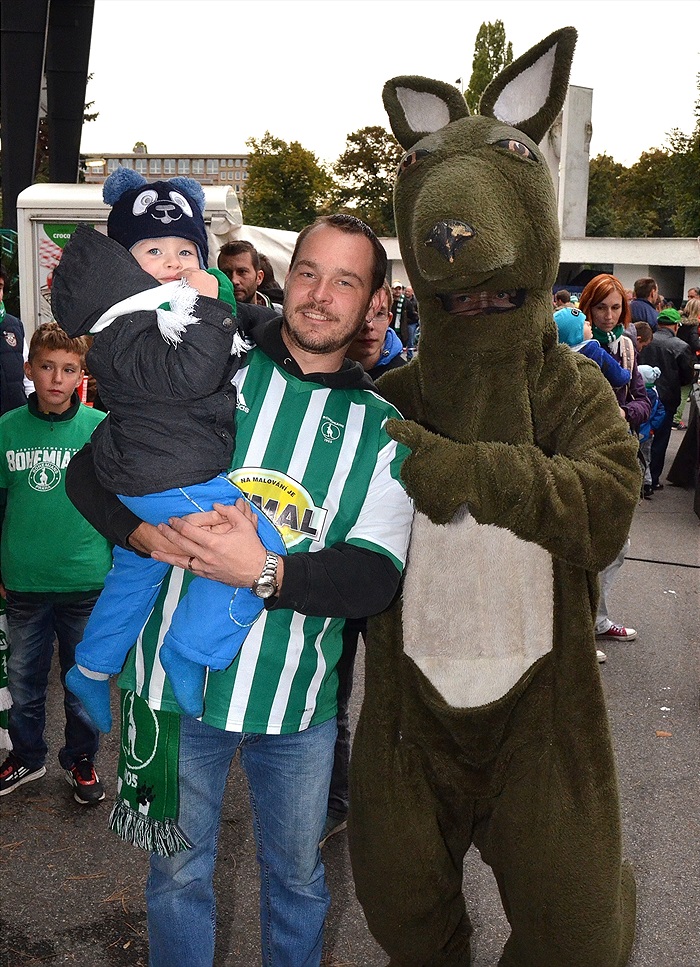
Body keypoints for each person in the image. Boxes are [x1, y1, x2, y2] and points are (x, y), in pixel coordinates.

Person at [65, 213, 414, 967]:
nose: (320, 294)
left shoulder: (384, 430)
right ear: (287, 279)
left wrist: (264, 572)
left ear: (373, 303)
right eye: (309, 272)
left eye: (345, 281)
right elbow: (89, 468)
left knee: (297, 881)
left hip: (296, 706)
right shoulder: (211, 357)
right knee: (176, 875)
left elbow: (375, 575)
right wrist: (142, 535)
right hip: (169, 693)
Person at [50, 168, 285, 731]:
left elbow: (238, 335)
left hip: (147, 471)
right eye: (154, 250)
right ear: (125, 261)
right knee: (262, 545)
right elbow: (192, 374)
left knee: (137, 567)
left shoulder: (159, 311)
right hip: (168, 473)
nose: (174, 262)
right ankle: (189, 649)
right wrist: (211, 304)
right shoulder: (128, 320)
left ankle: (92, 666)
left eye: (185, 250)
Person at [0, 323, 112, 802]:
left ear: (81, 374)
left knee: (82, 682)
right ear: (29, 369)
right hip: (24, 581)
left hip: (85, 581)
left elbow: (115, 505)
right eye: (47, 367)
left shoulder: (99, 429)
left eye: (68, 369)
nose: (57, 379)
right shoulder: (6, 429)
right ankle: (27, 757)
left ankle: (81, 759)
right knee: (24, 683)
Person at [320, 280, 406, 846]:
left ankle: (392, 804)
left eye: (382, 314)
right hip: (329, 578)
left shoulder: (408, 388)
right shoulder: (319, 382)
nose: (370, 326)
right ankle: (335, 800)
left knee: (395, 699)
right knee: (331, 694)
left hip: (394, 581)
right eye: (363, 313)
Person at [578, 275, 651, 657]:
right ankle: (577, 630)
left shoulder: (626, 347)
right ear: (588, 308)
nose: (608, 315)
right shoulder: (574, 348)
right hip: (579, 458)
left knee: (618, 545)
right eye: (600, 307)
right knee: (582, 547)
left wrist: (624, 413)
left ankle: (596, 619)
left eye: (615, 307)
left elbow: (644, 399)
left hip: (617, 458)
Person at [639, 307, 696, 488]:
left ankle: (639, 478)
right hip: (667, 399)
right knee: (660, 441)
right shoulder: (680, 346)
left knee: (639, 437)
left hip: (641, 396)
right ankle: (652, 480)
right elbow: (687, 377)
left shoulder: (645, 340)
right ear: (676, 326)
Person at [0, 262, 33, 415]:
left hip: (16, 418)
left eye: (0, 287)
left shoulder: (14, 326)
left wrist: (34, 409)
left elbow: (28, 376)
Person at [217, 239, 279, 308]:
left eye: (242, 272)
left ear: (259, 277)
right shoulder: (209, 312)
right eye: (227, 273)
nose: (234, 281)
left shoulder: (281, 313)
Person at [637, 365, 665, 499]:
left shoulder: (644, 394)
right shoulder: (655, 393)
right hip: (648, 431)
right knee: (645, 458)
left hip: (641, 430)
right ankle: (646, 483)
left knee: (640, 458)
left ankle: (644, 484)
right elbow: (661, 412)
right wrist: (653, 427)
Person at [674, 297, 700, 428]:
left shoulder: (679, 324)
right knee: (685, 391)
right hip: (689, 361)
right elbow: (695, 344)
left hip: (677, 357)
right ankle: (676, 419)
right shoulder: (694, 327)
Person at [391, 281, 419, 359]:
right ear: (392, 290)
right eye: (395, 289)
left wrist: (407, 321)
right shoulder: (389, 301)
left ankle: (409, 357)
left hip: (404, 327)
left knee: (408, 340)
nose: (397, 291)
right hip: (391, 326)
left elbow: (413, 315)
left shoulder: (406, 302)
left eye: (399, 289)